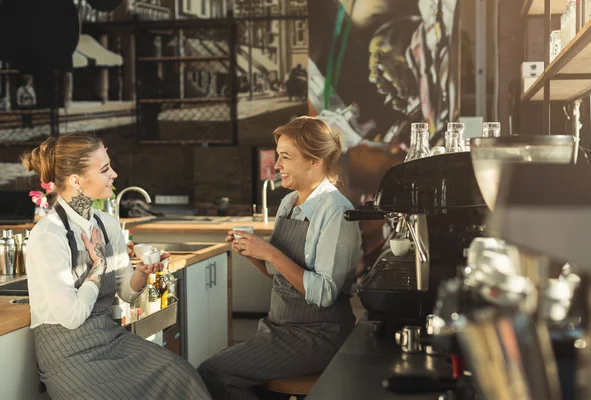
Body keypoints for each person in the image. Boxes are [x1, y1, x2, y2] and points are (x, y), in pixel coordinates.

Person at [21, 133, 211, 400]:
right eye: (105, 169)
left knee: (182, 375)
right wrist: (98, 266)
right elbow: (72, 317)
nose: (114, 174)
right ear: (76, 181)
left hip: (112, 341)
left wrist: (141, 275)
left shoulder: (107, 224)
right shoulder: (49, 235)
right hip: (69, 358)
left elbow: (126, 292)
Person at [198, 116, 362, 399]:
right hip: (279, 328)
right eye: (278, 156)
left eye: (285, 157)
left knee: (214, 372)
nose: (276, 166)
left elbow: (323, 293)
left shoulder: (336, 211)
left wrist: (269, 251)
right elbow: (278, 273)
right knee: (224, 373)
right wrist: (252, 253)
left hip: (318, 336)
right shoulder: (289, 202)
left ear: (314, 160)